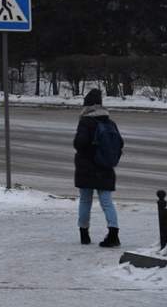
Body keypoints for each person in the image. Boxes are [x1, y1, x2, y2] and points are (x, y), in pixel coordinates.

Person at [74, 88, 124, 248]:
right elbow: (120, 144)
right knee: (107, 202)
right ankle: (113, 233)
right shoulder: (110, 122)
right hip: (105, 167)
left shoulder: (85, 122)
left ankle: (84, 234)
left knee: (85, 200)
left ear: (87, 105)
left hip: (87, 167)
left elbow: (79, 143)